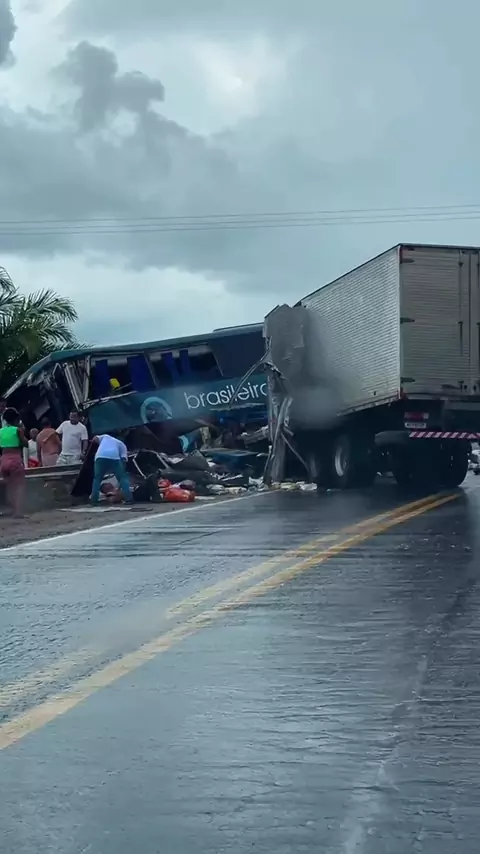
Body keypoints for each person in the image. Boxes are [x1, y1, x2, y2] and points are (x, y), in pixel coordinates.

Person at [0, 407, 28, 516]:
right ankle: (18, 512)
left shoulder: (1, 431)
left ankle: (12, 508)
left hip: (3, 460)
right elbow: (25, 443)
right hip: (15, 459)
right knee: (19, 486)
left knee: (9, 486)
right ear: (16, 419)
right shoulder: (17, 430)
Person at [90, 434, 132, 505]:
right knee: (122, 478)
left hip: (100, 457)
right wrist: (122, 473)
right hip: (114, 457)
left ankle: (94, 501)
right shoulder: (122, 445)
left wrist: (94, 443)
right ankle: (129, 499)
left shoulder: (105, 436)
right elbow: (124, 460)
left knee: (97, 479)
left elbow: (95, 439)